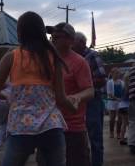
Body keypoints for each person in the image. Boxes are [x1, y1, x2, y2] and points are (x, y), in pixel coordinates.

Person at [0, 12, 76, 166]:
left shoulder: (12, 57)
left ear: (20, 32)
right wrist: (74, 106)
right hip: (51, 127)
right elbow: (62, 99)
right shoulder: (53, 57)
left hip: (21, 128)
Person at [46, 22, 94, 166]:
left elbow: (90, 90)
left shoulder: (79, 62)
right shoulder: (46, 59)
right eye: (52, 35)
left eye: (58, 36)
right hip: (48, 125)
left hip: (72, 127)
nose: (53, 38)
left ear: (70, 41)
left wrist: (76, 97)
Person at [73, 32, 106, 166]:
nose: (70, 44)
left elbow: (102, 79)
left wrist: (83, 84)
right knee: (78, 136)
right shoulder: (72, 57)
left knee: (95, 138)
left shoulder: (92, 55)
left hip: (92, 101)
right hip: (77, 101)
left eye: (72, 42)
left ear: (81, 42)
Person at [106, 68, 123, 139]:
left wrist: (122, 99)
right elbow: (109, 94)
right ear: (112, 74)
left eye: (118, 73)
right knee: (112, 118)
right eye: (116, 73)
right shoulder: (109, 82)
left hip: (120, 102)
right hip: (112, 102)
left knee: (120, 118)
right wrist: (117, 99)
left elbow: (123, 91)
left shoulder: (122, 82)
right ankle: (111, 132)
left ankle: (118, 133)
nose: (117, 74)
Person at [118, 71, 129, 145]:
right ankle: (131, 138)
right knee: (130, 124)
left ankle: (122, 138)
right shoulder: (129, 87)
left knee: (124, 123)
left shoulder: (123, 86)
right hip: (127, 106)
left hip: (121, 106)